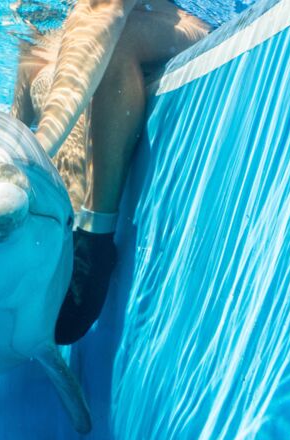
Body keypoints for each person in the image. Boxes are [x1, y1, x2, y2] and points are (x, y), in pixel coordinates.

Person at [11, 0, 210, 344]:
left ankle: (95, 236)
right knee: (46, 59)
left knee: (110, 39)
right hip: (56, 225)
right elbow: (18, 112)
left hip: (183, 26)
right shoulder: (37, 27)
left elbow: (98, 9)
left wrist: (38, 151)